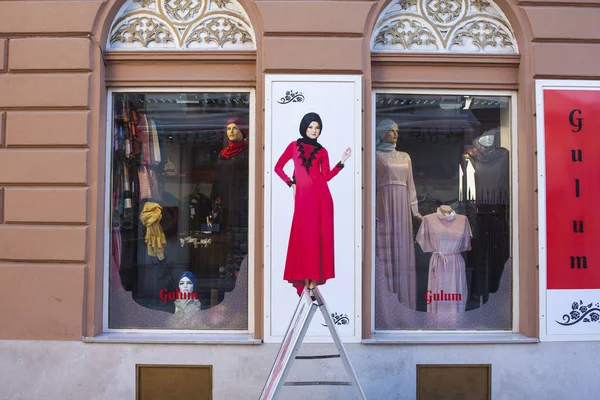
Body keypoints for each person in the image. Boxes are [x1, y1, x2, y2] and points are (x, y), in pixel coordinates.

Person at [274, 112, 352, 298]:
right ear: (304, 127)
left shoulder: (322, 151)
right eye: (311, 127)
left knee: (316, 239)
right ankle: (305, 281)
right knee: (304, 238)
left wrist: (341, 162)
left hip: (321, 199)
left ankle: (312, 283)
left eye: (317, 128)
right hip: (303, 199)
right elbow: (278, 167)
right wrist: (290, 182)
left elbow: (325, 177)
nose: (314, 131)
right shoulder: (294, 146)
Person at [375, 119, 421, 309]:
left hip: (402, 207)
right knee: (385, 251)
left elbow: (410, 185)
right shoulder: (375, 156)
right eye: (391, 130)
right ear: (381, 132)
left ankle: (404, 303)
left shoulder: (405, 156)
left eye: (397, 130)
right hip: (384, 207)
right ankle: (386, 305)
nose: (395, 134)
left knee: (402, 250)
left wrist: (415, 212)